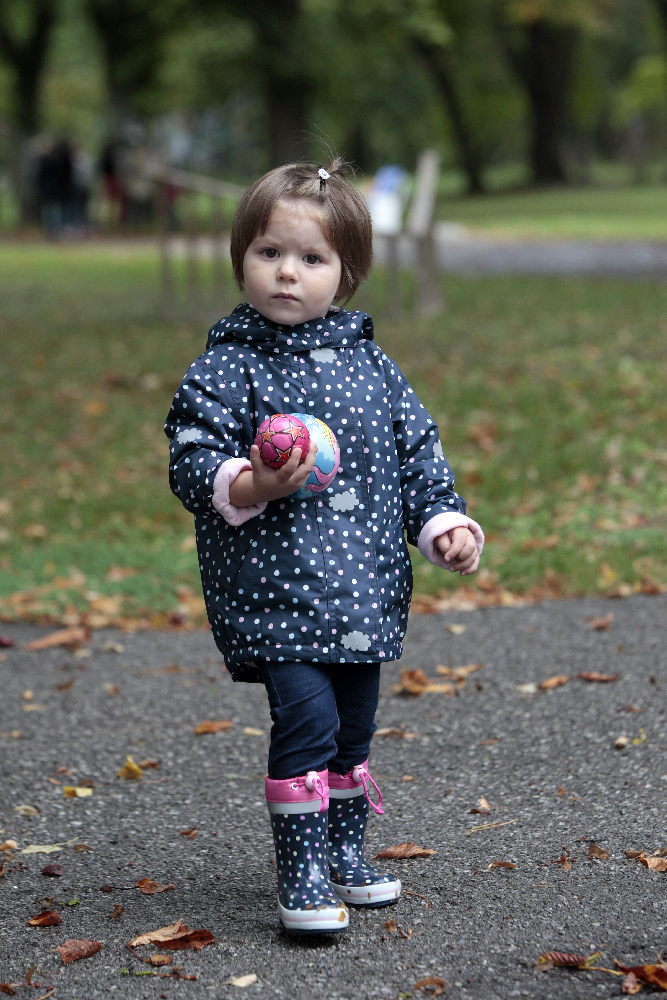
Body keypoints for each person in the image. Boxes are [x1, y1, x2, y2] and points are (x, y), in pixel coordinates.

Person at [164, 158, 484, 935]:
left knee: (351, 730)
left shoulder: (372, 366)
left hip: (362, 588)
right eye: (269, 252)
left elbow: (415, 451)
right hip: (274, 589)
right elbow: (191, 457)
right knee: (306, 724)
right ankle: (301, 871)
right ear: (241, 257)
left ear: (345, 275)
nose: (287, 272)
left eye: (311, 258)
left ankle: (343, 849)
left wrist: (441, 521)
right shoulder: (227, 365)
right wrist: (251, 482)